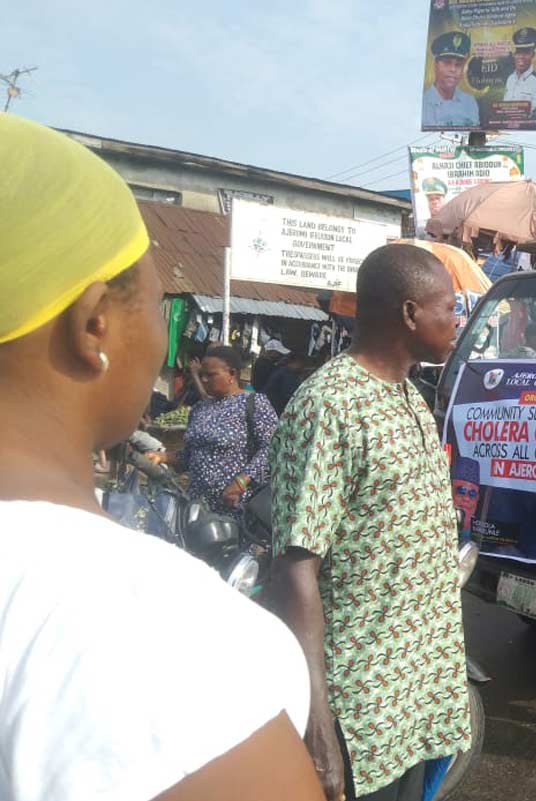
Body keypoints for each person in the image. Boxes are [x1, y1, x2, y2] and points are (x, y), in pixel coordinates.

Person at [0, 114, 320, 801]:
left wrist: (239, 479)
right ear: (94, 325)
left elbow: (270, 453)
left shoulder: (253, 406)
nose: (193, 370)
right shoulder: (175, 644)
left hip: (234, 513)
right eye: (155, 299)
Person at [270, 243, 471, 801]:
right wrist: (317, 719)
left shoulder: (409, 395)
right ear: (410, 314)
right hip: (361, 713)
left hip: (417, 701)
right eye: (449, 308)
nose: (457, 321)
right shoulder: (329, 405)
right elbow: (295, 566)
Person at [148, 346, 278, 512]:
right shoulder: (199, 408)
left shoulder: (254, 404)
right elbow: (189, 456)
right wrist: (163, 456)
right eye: (201, 374)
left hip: (238, 508)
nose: (203, 380)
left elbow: (272, 448)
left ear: (232, 374)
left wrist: (241, 482)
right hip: (198, 508)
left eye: (210, 375)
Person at [421, 31, 480, 128]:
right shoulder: (424, 103)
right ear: (435, 65)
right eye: (447, 63)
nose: (453, 69)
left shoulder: (469, 102)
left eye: (458, 64)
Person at [502, 27, 536, 111]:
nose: (521, 57)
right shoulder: (510, 79)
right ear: (514, 54)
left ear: (533, 55)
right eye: (518, 52)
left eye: (526, 53)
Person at [263, 351, 307, 416]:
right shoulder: (287, 374)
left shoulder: (282, 370)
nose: (303, 367)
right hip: (273, 407)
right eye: (302, 364)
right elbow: (289, 395)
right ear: (295, 362)